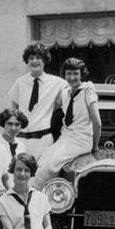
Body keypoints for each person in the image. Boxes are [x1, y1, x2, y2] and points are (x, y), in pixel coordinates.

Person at [32, 58, 101, 186]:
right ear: (64, 75)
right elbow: (49, 108)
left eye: (76, 73)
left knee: (51, 164)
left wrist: (95, 147)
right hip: (65, 139)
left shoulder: (88, 90)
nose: (72, 77)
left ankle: (41, 192)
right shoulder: (65, 93)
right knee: (42, 160)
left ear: (82, 74)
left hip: (81, 140)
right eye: (69, 74)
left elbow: (97, 123)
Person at [7, 41, 64, 161]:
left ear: (45, 60)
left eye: (38, 58)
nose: (34, 61)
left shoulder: (57, 83)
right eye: (31, 58)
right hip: (21, 139)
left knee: (41, 176)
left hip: (44, 139)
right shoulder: (20, 82)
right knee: (20, 174)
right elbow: (14, 112)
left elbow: (68, 100)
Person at [0, 108, 29, 186]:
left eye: (17, 124)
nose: (13, 128)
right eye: (10, 124)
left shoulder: (21, 146)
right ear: (3, 124)